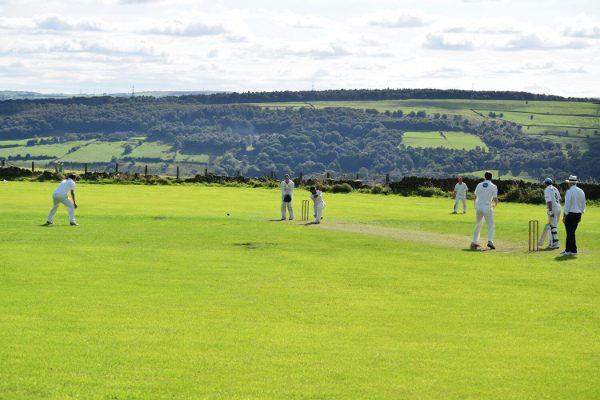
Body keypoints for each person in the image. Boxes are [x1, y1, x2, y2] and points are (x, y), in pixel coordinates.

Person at [470, 171, 498, 250]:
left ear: (485, 177)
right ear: (491, 177)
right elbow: (495, 199)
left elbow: (475, 196)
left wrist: (475, 205)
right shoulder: (493, 186)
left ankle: (474, 242)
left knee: (478, 225)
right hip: (487, 207)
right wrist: (495, 204)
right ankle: (490, 241)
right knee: (491, 225)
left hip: (478, 207)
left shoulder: (479, 185)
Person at [561, 175, 586, 256]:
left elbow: (567, 205)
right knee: (571, 232)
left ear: (570, 183)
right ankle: (571, 250)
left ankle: (569, 251)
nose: (567, 184)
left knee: (570, 233)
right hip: (578, 214)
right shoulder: (581, 191)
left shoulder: (569, 192)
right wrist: (581, 215)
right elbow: (583, 204)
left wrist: (564, 216)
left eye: (568, 183)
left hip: (570, 214)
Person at [543, 177, 561, 249]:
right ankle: (551, 243)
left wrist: (550, 211)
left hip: (553, 208)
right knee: (553, 226)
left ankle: (555, 244)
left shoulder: (547, 189)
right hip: (559, 208)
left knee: (552, 227)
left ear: (545, 183)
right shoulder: (555, 188)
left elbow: (549, 201)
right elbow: (559, 198)